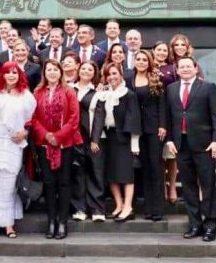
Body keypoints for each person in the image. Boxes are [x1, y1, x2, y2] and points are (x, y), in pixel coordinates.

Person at [165, 56, 216, 242]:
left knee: (208, 186)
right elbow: (167, 117)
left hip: (204, 144)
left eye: (189, 66)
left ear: (196, 68)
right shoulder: (171, 89)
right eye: (182, 67)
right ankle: (195, 224)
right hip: (181, 145)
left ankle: (210, 225)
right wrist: (169, 140)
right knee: (188, 187)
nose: (185, 69)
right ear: (177, 69)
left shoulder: (208, 87)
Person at [0, 62, 36, 238]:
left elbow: (33, 120)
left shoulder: (26, 96)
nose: (11, 75)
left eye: (14, 72)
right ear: (1, 75)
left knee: (8, 185)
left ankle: (9, 224)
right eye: (7, 72)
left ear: (19, 75)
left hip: (13, 145)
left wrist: (25, 133)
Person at [31, 58, 82, 239]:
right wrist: (47, 135)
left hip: (65, 144)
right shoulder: (37, 92)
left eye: (55, 69)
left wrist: (58, 136)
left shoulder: (69, 91)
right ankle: (51, 221)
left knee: (64, 182)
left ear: (60, 72)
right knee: (49, 183)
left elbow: (74, 119)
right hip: (44, 144)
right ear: (44, 73)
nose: (51, 72)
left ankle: (62, 222)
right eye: (48, 69)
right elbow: (33, 118)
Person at [93, 62, 140, 222]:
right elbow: (96, 113)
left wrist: (135, 144)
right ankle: (119, 205)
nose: (111, 77)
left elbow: (134, 119)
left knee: (126, 174)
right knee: (111, 174)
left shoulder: (129, 94)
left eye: (114, 73)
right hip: (109, 137)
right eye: (108, 75)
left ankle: (128, 207)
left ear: (121, 74)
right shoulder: (104, 94)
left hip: (125, 139)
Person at [128, 50, 167, 222]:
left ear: (149, 62)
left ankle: (157, 208)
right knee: (143, 169)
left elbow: (162, 105)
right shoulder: (129, 79)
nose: (141, 62)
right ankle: (148, 208)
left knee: (155, 168)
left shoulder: (156, 79)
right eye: (139, 59)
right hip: (137, 129)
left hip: (154, 128)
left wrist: (162, 125)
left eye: (145, 59)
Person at [70, 60, 106, 221]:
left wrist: (95, 140)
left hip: (91, 138)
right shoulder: (69, 89)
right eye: (83, 68)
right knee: (77, 173)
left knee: (95, 173)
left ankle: (97, 209)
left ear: (94, 73)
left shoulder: (98, 92)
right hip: (72, 138)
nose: (85, 71)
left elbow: (99, 117)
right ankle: (79, 209)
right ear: (78, 70)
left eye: (89, 70)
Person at [153, 40, 178, 204]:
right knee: (157, 156)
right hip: (152, 114)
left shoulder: (172, 68)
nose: (161, 52)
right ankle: (161, 186)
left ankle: (172, 187)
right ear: (153, 51)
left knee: (171, 154)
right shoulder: (148, 66)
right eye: (158, 50)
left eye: (164, 50)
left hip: (170, 113)